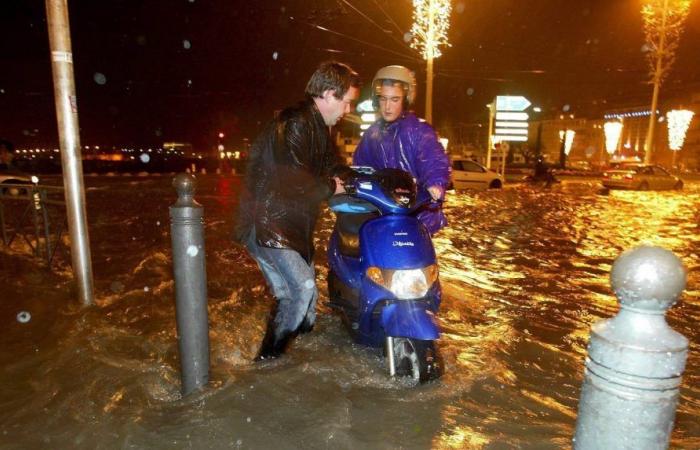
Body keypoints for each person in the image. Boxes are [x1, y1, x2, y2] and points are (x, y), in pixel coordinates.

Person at [235, 61, 360, 361]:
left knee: (302, 299)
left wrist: (358, 178)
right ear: (329, 94)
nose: (347, 111)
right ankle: (268, 362)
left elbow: (333, 166)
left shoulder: (318, 128)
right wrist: (333, 187)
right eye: (346, 102)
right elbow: (293, 181)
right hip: (266, 224)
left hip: (288, 225)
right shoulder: (295, 123)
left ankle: (295, 361)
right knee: (301, 290)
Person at [352, 65, 450, 234]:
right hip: (384, 215)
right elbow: (361, 167)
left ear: (405, 100)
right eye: (383, 99)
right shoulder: (372, 134)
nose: (387, 106)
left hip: (419, 219)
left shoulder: (420, 131)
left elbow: (434, 162)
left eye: (394, 99)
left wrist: (436, 185)